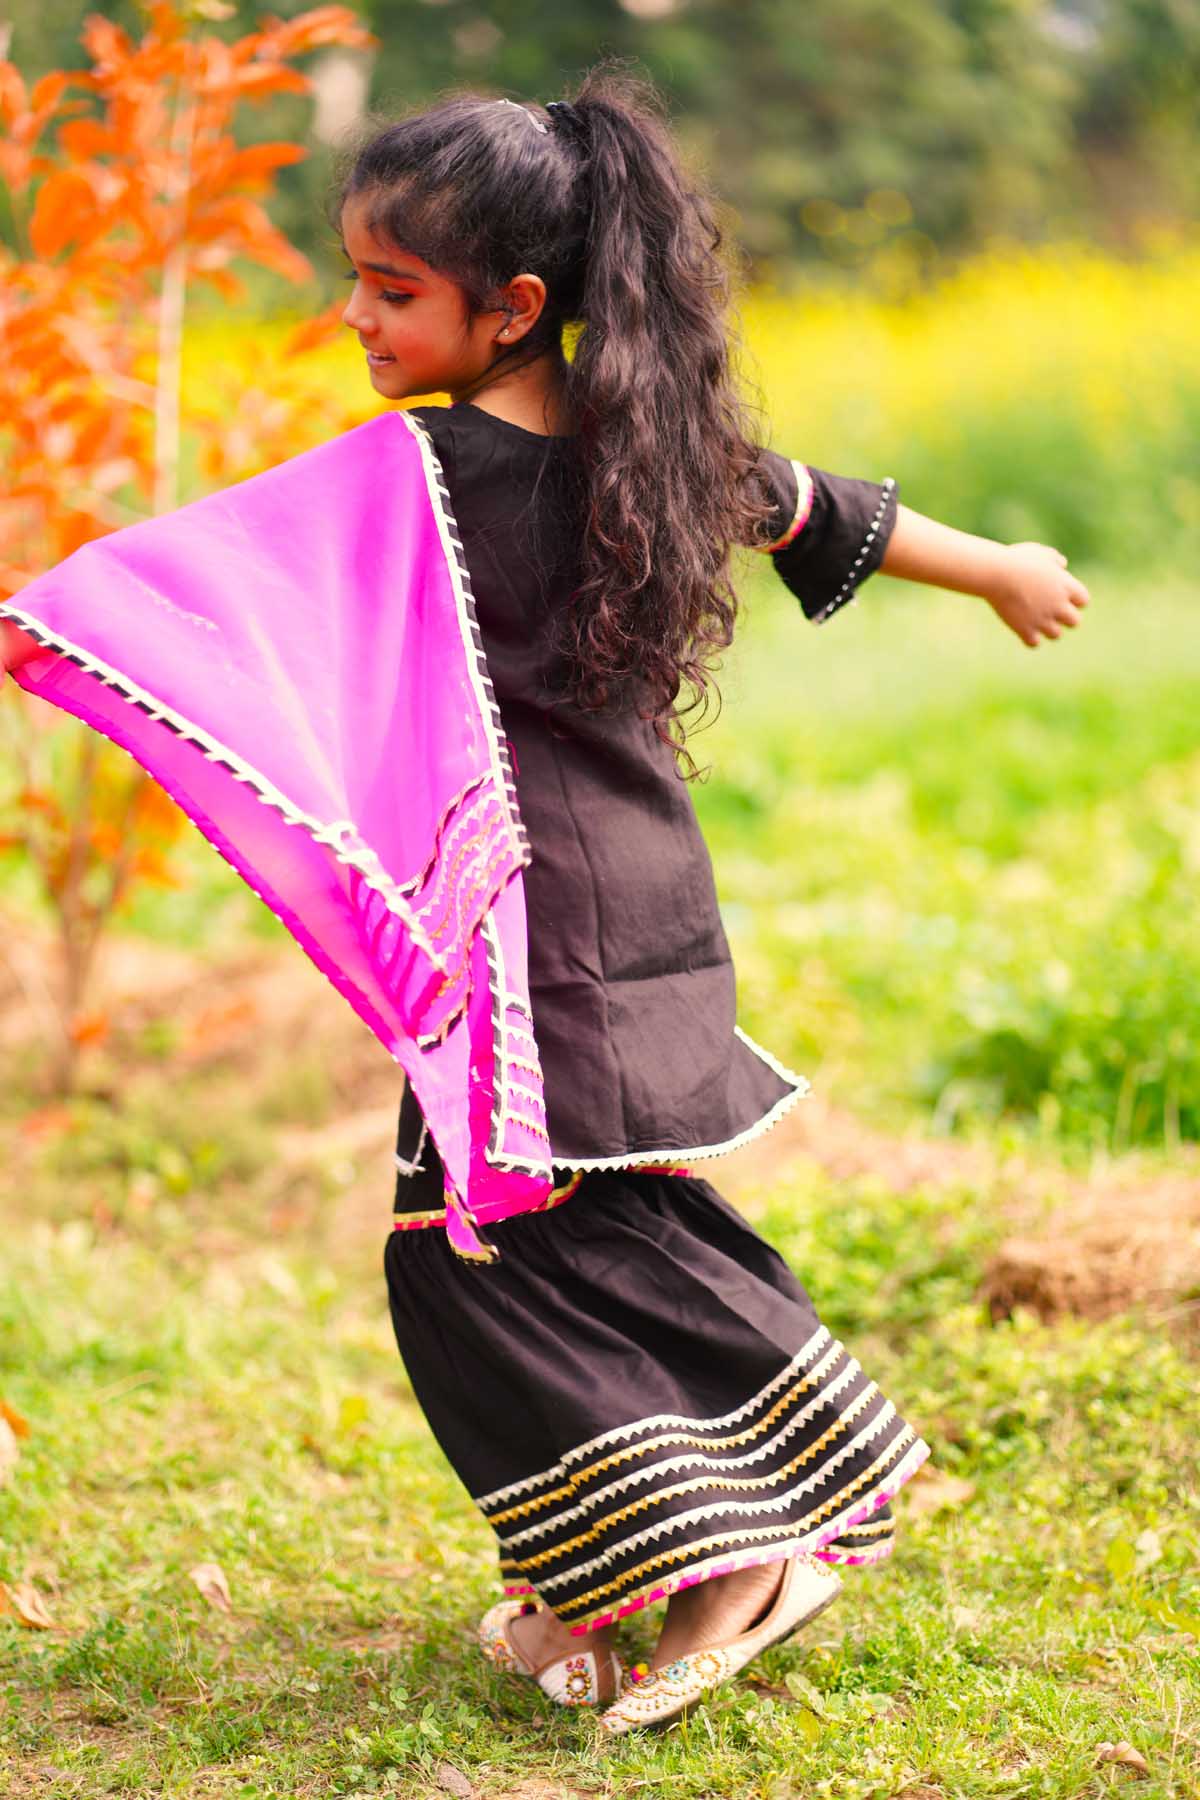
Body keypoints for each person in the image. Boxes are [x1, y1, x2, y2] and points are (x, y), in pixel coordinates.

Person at [1, 69, 1089, 1736]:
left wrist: (43, 620)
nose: (353, 315)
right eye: (355, 276)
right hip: (620, 904)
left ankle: (745, 1552)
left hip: (538, 932)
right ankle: (592, 1580)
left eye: (392, 288)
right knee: (531, 1223)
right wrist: (1005, 566)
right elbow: (828, 512)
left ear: (512, 308)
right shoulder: (654, 444)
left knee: (484, 1245)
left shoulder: (415, 476)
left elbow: (193, 583)